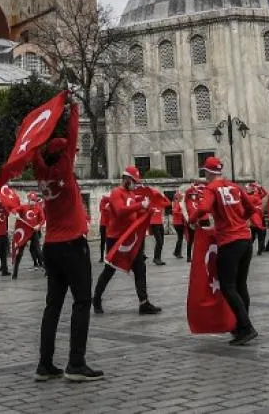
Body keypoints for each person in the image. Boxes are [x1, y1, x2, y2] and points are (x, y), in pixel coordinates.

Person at [32, 100, 104, 381]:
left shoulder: (42, 172)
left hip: (51, 247)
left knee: (53, 305)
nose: (73, 151)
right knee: (82, 302)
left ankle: (45, 363)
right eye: (70, 150)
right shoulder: (63, 169)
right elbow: (73, 133)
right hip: (73, 244)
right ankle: (76, 363)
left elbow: (33, 150)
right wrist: (72, 107)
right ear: (63, 154)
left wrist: (33, 133)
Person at [190, 155, 258, 345]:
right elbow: (252, 208)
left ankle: (246, 327)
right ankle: (240, 327)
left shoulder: (211, 188)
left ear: (208, 172)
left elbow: (203, 208)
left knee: (228, 286)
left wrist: (192, 219)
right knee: (241, 284)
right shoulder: (235, 186)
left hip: (230, 242)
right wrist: (240, 220)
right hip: (246, 239)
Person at [92, 166, 162, 315]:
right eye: (134, 181)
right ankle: (96, 298)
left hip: (130, 237)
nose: (135, 184)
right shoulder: (116, 193)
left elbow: (135, 212)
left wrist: (146, 209)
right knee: (109, 270)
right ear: (127, 179)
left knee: (140, 268)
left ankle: (144, 302)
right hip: (116, 238)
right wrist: (139, 205)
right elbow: (120, 211)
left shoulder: (131, 193)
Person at [0, 192, 13, 278]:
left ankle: (5, 270)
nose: (0, 205)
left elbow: (8, 212)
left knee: (4, 254)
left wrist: (3, 204)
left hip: (4, 234)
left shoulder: (4, 211)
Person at [149, 192, 167, 266]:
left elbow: (168, 203)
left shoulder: (160, 204)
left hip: (160, 224)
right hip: (154, 224)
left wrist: (163, 196)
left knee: (161, 242)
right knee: (159, 241)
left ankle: (158, 258)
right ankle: (156, 259)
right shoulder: (151, 204)